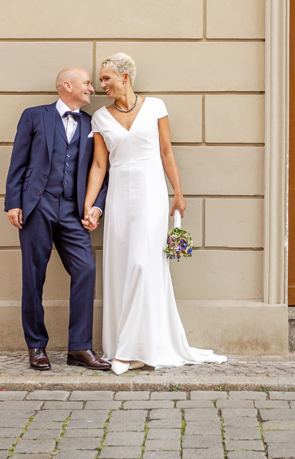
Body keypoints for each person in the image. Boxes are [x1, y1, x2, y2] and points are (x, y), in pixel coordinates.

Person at [83, 52, 227, 374]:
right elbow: (98, 165)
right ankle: (128, 345)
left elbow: (166, 152)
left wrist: (178, 192)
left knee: (142, 262)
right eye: (100, 79)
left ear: (125, 77)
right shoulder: (100, 118)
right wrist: (90, 205)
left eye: (106, 78)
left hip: (151, 193)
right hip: (120, 196)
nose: (100, 85)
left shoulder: (156, 107)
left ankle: (132, 351)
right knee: (121, 266)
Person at [4, 67, 111, 372]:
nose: (92, 88)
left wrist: (97, 207)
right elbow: (18, 160)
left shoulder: (93, 123)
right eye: (87, 83)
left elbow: (102, 171)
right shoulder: (34, 116)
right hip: (37, 206)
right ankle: (36, 345)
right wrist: (14, 202)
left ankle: (79, 347)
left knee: (86, 269)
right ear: (68, 86)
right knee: (34, 276)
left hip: (73, 211)